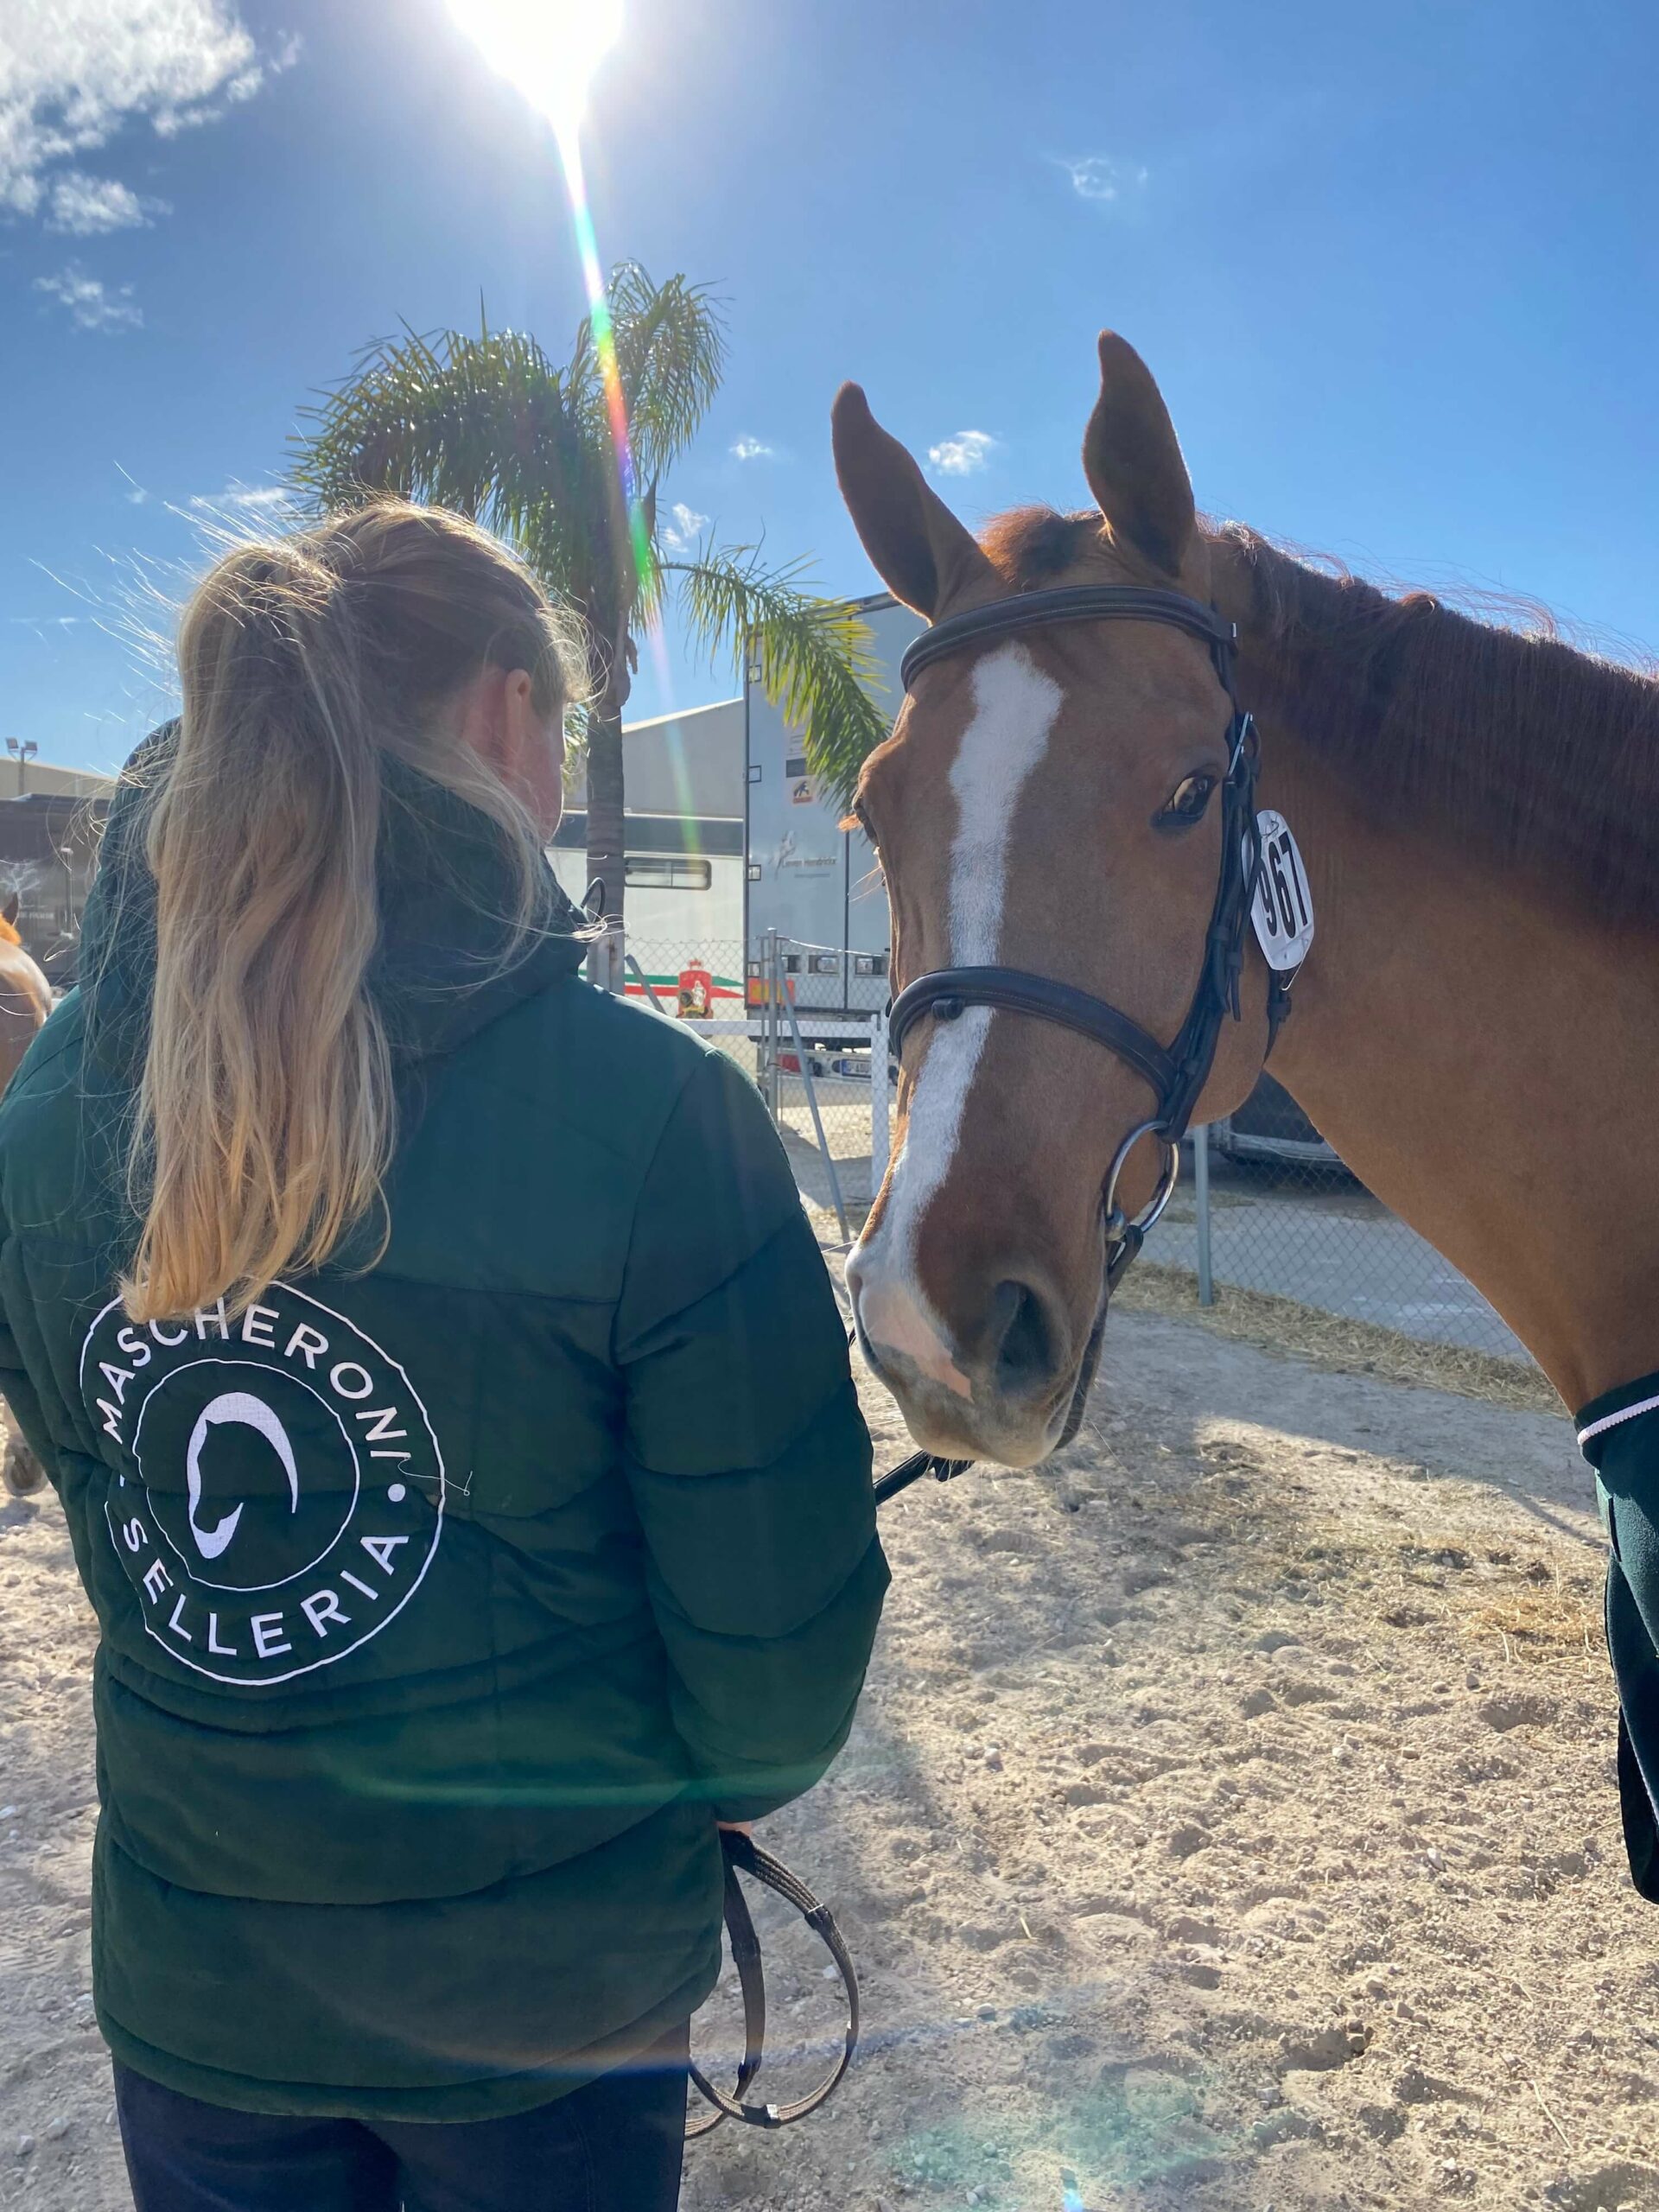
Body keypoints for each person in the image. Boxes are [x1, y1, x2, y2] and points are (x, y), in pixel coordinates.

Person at [0, 501, 887, 2212]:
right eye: (556, 725)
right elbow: (772, 1684)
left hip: (197, 1998)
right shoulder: (656, 1119)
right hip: (544, 2012)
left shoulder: (43, 1123)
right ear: (500, 716)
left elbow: (124, 1524)